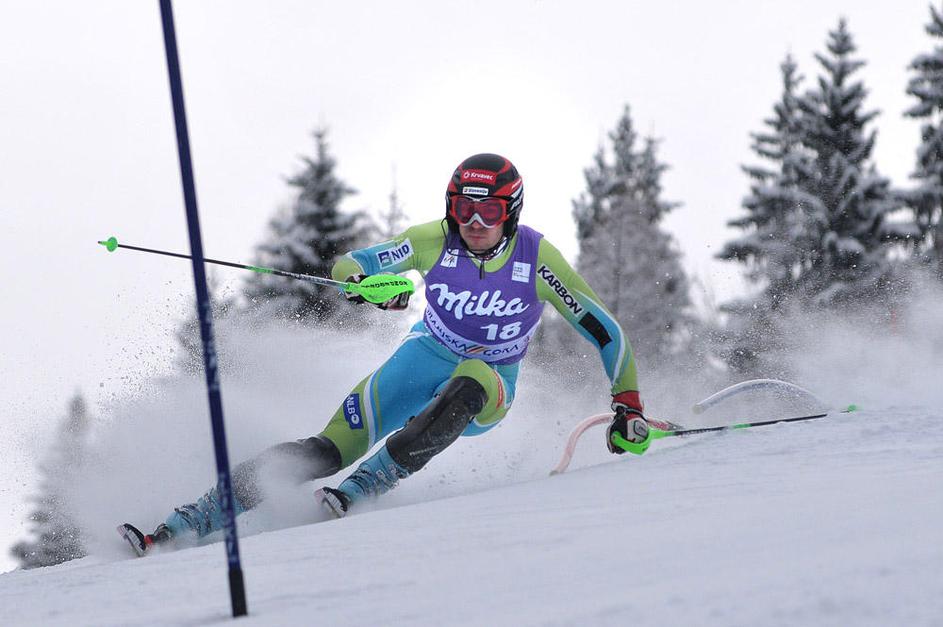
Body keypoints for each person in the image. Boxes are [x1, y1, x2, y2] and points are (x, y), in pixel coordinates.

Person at [119, 153, 650, 555]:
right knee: (326, 449)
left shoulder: (537, 257)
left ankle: (362, 489)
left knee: (468, 379)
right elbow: (351, 263)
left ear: (509, 213)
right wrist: (373, 286)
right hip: (421, 357)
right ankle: (186, 522)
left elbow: (604, 328)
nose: (474, 222)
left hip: (490, 381)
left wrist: (627, 402)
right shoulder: (432, 239)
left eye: (488, 210)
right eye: (464, 208)